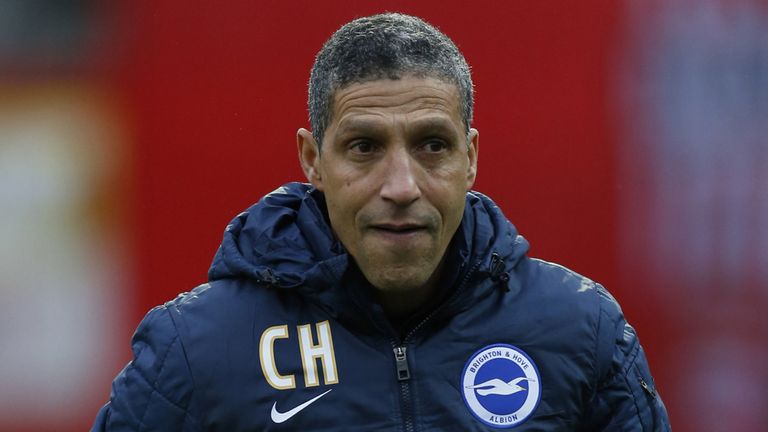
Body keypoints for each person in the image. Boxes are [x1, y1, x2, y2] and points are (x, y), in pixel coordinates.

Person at [92, 13, 671, 431]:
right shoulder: (197, 350)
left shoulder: (580, 330)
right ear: (312, 160)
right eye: (365, 146)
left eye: (432, 146)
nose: (402, 186)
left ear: (470, 158)